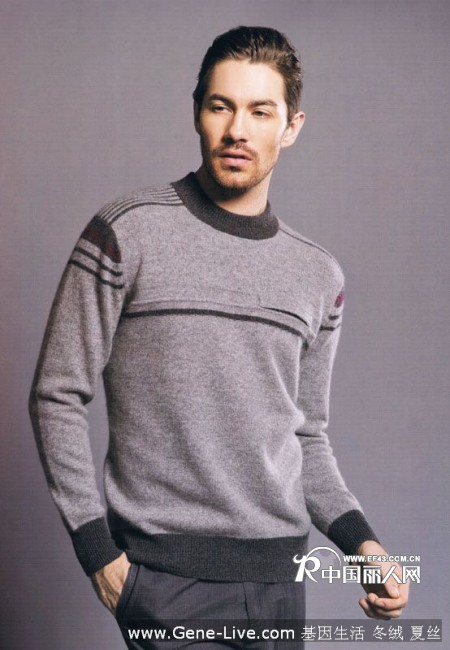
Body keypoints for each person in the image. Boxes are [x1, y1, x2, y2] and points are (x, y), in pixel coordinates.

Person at [29, 26, 409, 649]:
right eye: (220, 106)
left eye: (261, 111)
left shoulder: (319, 275)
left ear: (291, 127)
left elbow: (306, 435)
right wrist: (99, 557)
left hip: (281, 584)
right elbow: (57, 394)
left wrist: (362, 545)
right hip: (162, 582)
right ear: (197, 114)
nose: (237, 130)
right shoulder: (126, 232)